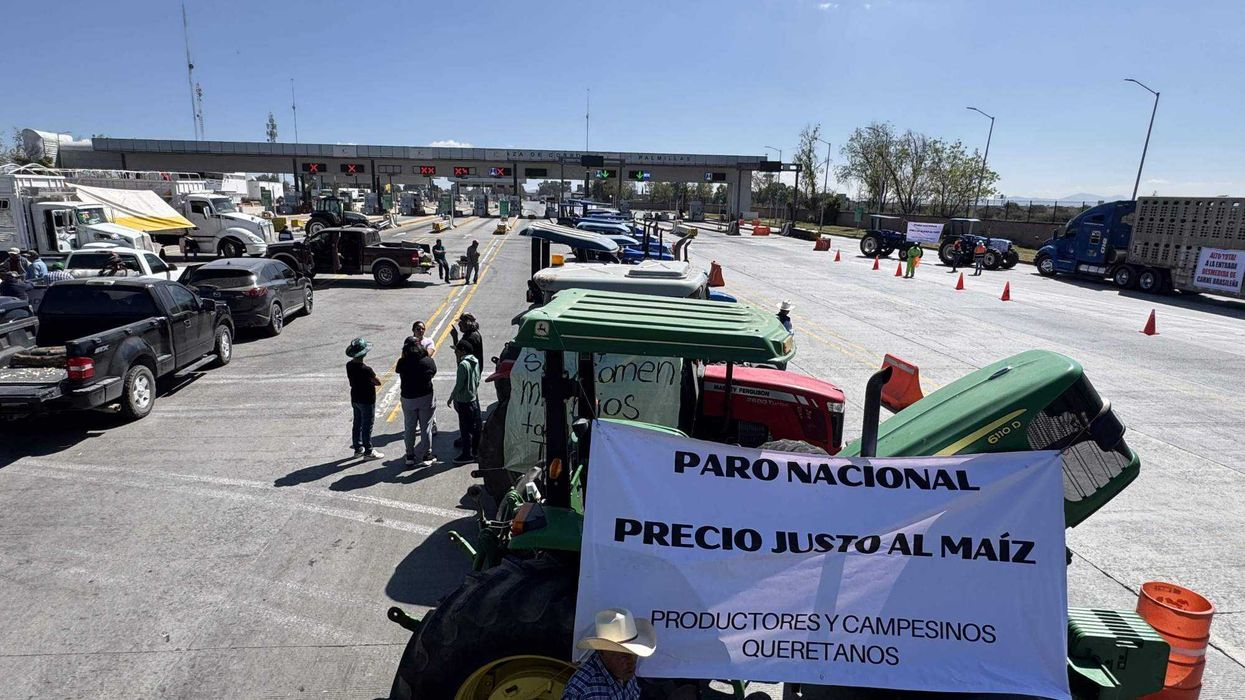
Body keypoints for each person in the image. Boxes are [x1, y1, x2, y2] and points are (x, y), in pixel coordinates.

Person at [562, 608, 657, 700]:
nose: (631, 661)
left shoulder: (625, 672)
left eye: (634, 652)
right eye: (623, 654)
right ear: (602, 652)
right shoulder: (581, 692)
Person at [396, 336, 438, 467]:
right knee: (426, 427)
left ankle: (410, 455)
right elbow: (433, 372)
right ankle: (427, 454)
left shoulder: (402, 362)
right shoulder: (427, 361)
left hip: (408, 398)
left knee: (409, 428)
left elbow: (398, 369)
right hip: (425, 397)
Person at [345, 337, 384, 460]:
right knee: (367, 425)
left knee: (357, 423)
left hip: (355, 397)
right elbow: (377, 382)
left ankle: (358, 448)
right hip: (367, 400)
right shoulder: (366, 369)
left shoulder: (349, 365)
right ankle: (368, 451)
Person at [448, 339, 481, 464]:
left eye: (456, 350)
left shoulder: (463, 365)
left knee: (465, 429)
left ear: (463, 351)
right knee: (474, 427)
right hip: (473, 398)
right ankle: (476, 451)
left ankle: (467, 454)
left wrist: (452, 397)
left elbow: (459, 385)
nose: (455, 352)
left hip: (464, 401)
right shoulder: (475, 361)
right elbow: (477, 379)